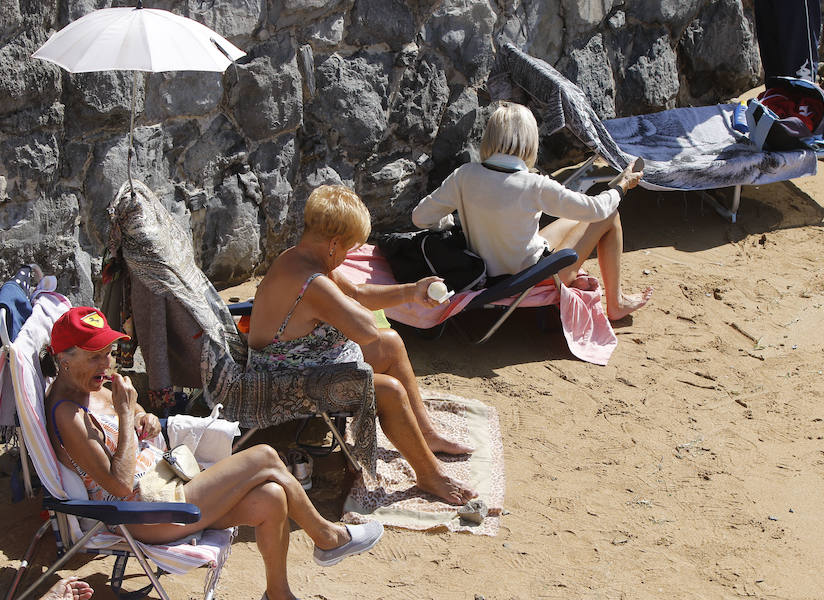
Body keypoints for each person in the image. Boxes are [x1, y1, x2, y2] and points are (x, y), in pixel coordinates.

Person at [42, 306, 383, 600]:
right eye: (94, 356)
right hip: (142, 512)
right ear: (64, 359)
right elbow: (118, 485)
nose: (106, 364)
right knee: (263, 454)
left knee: (271, 497)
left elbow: (130, 430)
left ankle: (278, 594)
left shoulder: (95, 388)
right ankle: (328, 537)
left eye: (108, 352)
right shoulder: (67, 414)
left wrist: (144, 420)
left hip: (168, 485)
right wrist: (125, 413)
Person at [247, 185, 477, 505]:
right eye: (349, 249)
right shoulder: (312, 284)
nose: (348, 256)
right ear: (333, 244)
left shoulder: (299, 258)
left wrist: (412, 291)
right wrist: (341, 307)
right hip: (282, 381)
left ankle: (425, 434)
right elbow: (366, 329)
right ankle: (429, 475)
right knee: (389, 391)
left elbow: (357, 294)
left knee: (392, 344)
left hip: (299, 360)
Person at [412, 101, 652, 321]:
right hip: (531, 278)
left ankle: (616, 299)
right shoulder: (534, 185)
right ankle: (616, 302)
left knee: (572, 218)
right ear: (530, 141)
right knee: (609, 214)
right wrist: (622, 185)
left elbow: (420, 217)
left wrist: (448, 222)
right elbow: (598, 209)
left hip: (485, 273)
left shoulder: (464, 175)